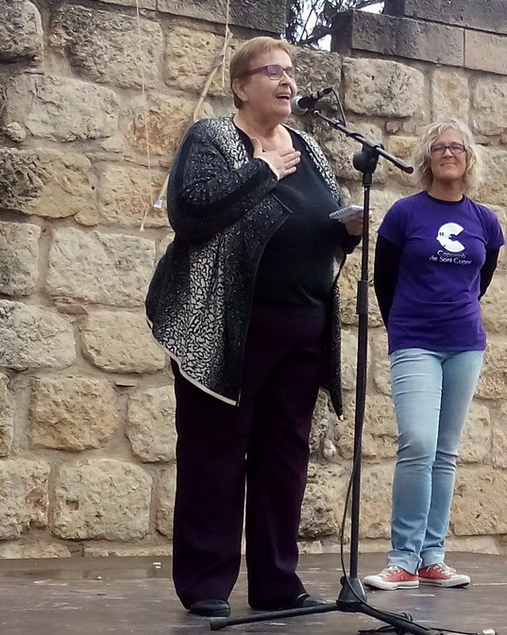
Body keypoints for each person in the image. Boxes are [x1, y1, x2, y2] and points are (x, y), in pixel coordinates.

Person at [145, 36, 362, 618]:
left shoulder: (309, 148)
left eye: (291, 72)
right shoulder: (213, 138)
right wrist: (260, 171)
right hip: (227, 325)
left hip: (303, 323)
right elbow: (190, 211)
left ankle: (276, 583)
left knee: (284, 456)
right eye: (273, 72)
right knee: (215, 451)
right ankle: (206, 583)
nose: (288, 81)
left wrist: (345, 230)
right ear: (241, 86)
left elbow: (318, 219)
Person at [363, 120, 503, 591]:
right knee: (418, 443)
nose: (448, 153)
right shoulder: (404, 214)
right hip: (415, 340)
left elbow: (481, 280)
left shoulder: (485, 221)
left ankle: (431, 557)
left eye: (456, 147)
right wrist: (403, 326)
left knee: (445, 453)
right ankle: (402, 558)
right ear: (426, 158)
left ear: (469, 158)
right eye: (439, 147)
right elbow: (384, 280)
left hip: (465, 344)